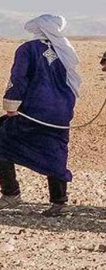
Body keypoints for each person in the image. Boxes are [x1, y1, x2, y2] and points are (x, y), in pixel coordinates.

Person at [2, 14, 82, 216]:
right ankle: (59, 202)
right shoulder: (65, 50)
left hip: (34, 110)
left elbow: (18, 79)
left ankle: (11, 194)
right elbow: (73, 83)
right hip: (61, 112)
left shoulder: (27, 49)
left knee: (1, 141)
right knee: (56, 151)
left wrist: (11, 105)